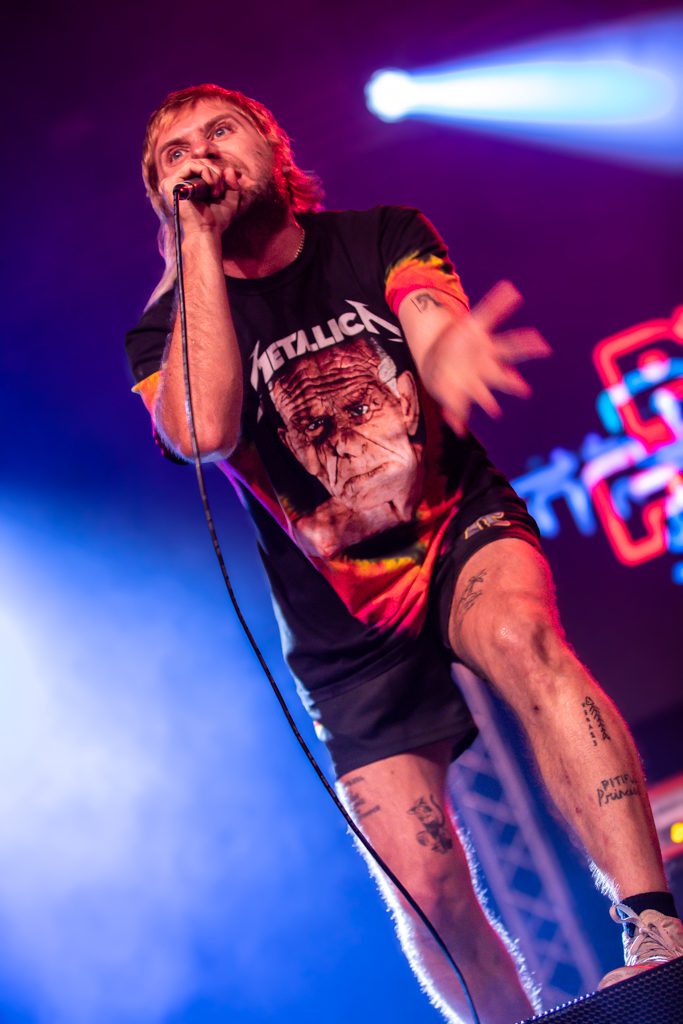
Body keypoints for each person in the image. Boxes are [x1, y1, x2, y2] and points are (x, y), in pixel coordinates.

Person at [125, 83, 683, 1023]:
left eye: (221, 131)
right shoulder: (162, 335)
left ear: (273, 146)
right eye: (175, 154)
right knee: (422, 883)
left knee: (516, 635)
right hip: (339, 618)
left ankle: (656, 934)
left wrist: (446, 351)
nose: (201, 155)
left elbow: (426, 314)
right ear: (163, 199)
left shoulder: (379, 233)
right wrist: (196, 249)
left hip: (454, 525)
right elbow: (205, 428)